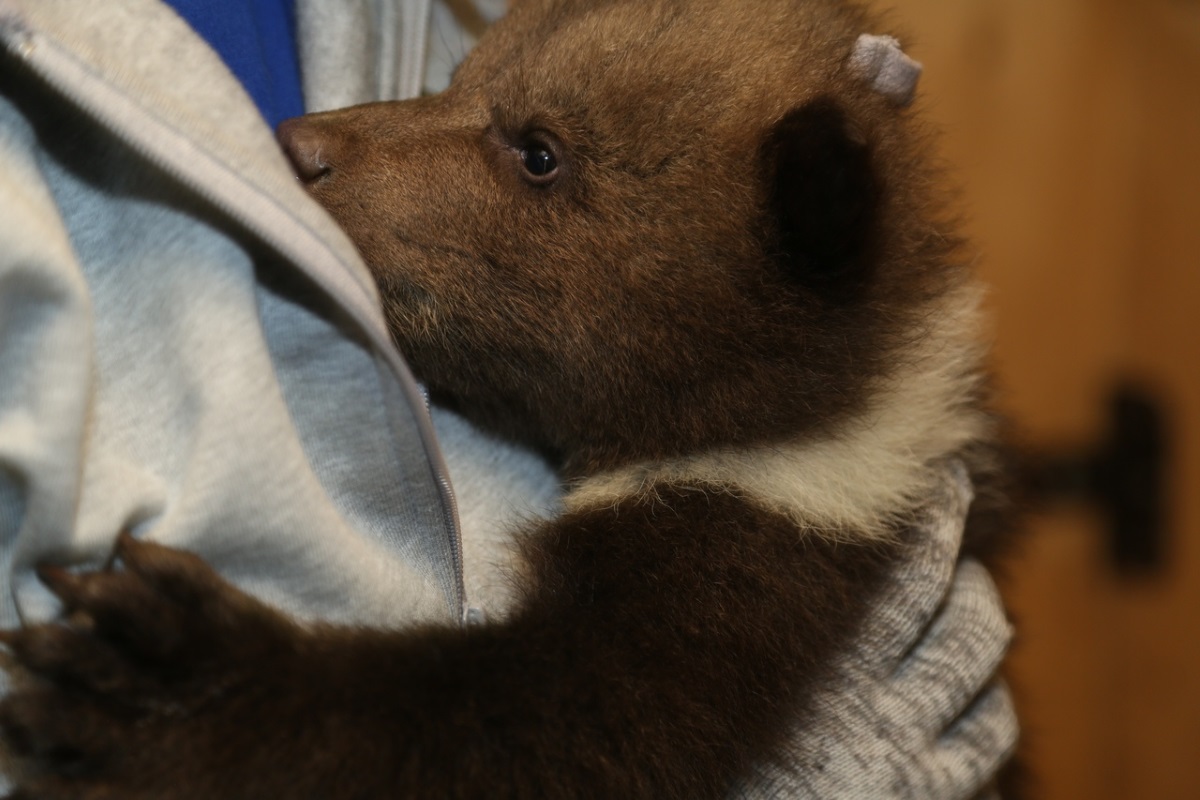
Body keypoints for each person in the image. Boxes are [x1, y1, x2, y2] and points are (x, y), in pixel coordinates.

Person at [0, 0, 1017, 796]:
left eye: (536, 161)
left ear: (788, 253)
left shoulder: (776, 531)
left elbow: (536, 743)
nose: (320, 141)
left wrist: (240, 712)